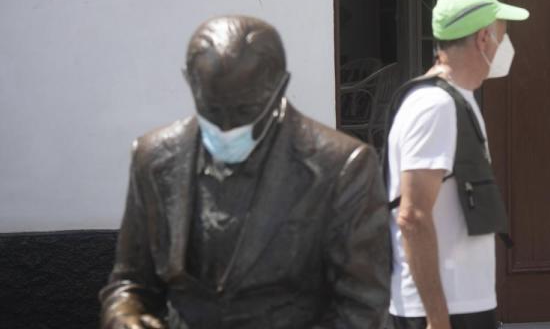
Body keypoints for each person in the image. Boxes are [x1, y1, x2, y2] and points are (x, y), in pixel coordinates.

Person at [99, 16, 390, 329]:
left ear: (280, 88)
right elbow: (129, 283)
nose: (226, 128)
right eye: (213, 110)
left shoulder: (342, 166)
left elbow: (362, 308)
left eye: (244, 112)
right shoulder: (153, 157)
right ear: (191, 83)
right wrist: (124, 317)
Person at [386, 0, 529, 329]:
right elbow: (412, 216)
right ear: (483, 39)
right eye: (502, 36)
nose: (504, 47)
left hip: (461, 303)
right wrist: (438, 318)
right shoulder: (435, 106)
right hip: (444, 310)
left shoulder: (456, 100)